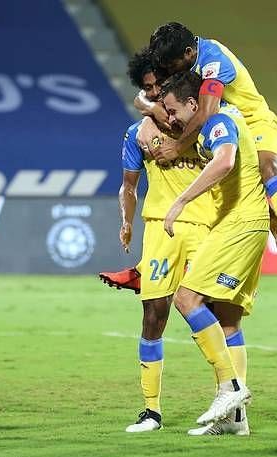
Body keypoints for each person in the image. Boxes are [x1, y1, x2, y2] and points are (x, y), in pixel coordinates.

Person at [139, 22, 277, 266]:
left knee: (267, 167)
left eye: (170, 66)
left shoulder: (214, 61)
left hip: (252, 120)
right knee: (227, 182)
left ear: (188, 52)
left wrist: (176, 148)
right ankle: (268, 217)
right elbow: (143, 94)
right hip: (221, 127)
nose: (167, 72)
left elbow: (207, 112)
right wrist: (150, 110)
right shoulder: (174, 58)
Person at [161, 70, 270, 435]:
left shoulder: (218, 121)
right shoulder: (224, 118)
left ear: (194, 103)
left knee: (188, 299)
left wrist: (180, 200)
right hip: (244, 221)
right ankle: (235, 422)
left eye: (174, 110)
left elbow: (224, 161)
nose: (173, 119)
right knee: (227, 321)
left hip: (240, 223)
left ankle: (230, 387)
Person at [116, 48, 216, 433]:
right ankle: (151, 410)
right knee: (154, 313)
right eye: (148, 88)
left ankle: (229, 396)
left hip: (207, 223)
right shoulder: (136, 133)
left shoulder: (202, 122)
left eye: (159, 85)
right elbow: (128, 184)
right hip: (162, 226)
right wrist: (126, 221)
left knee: (219, 313)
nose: (155, 92)